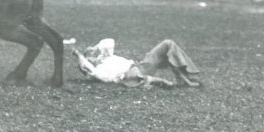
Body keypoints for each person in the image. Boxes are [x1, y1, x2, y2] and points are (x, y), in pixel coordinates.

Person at [72, 38, 201, 88]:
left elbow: (109, 42)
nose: (93, 58)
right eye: (90, 59)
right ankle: (184, 81)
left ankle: (183, 78)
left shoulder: (105, 57)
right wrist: (79, 55)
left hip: (141, 66)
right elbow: (88, 69)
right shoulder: (98, 71)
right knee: (167, 47)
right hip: (134, 73)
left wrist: (94, 48)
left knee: (168, 44)